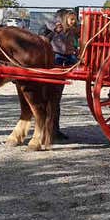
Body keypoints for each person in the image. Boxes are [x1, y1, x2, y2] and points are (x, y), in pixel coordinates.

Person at [43, 9, 79, 140]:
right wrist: (56, 27)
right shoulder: (58, 27)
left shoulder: (73, 30)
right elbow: (47, 23)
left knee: (55, 98)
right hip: (58, 57)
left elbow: (80, 33)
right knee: (53, 97)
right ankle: (51, 129)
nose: (73, 22)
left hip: (68, 56)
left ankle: (54, 130)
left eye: (74, 19)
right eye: (71, 19)